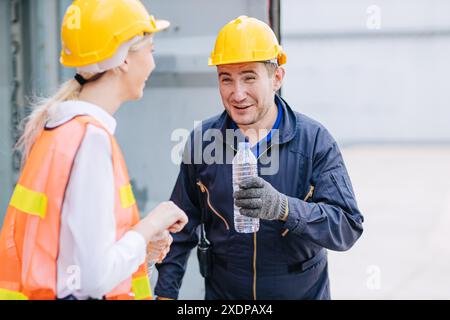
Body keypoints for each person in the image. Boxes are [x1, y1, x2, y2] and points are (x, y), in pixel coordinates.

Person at [155, 16, 364, 300]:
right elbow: (180, 228)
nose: (237, 94)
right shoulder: (204, 141)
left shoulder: (314, 141)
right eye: (225, 78)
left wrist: (284, 209)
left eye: (249, 77)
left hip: (300, 291)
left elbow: (347, 226)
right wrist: (165, 294)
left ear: (277, 78)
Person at [0, 0, 187, 300]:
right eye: (150, 51)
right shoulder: (90, 141)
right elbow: (93, 280)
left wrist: (140, 245)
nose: (153, 64)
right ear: (124, 58)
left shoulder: (60, 131)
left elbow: (69, 264)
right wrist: (152, 223)